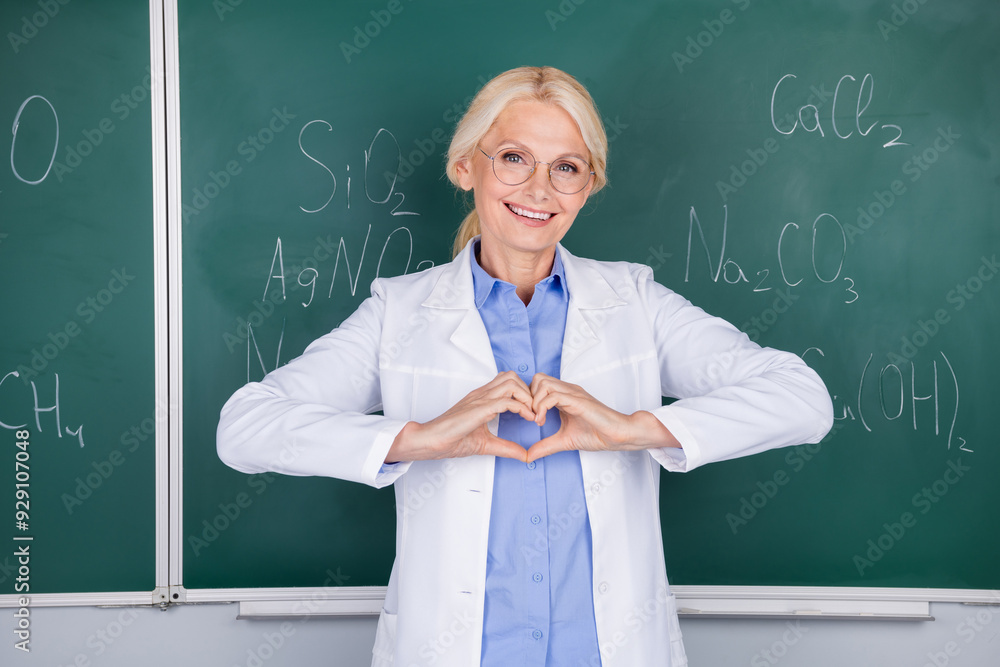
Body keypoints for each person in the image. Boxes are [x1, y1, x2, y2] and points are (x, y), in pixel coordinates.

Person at [217, 66, 834, 667]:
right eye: (513, 158)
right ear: (466, 167)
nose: (539, 190)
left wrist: (633, 428)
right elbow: (245, 427)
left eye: (566, 168)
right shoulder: (398, 312)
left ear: (587, 185)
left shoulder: (635, 301)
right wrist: (417, 439)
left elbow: (802, 399)